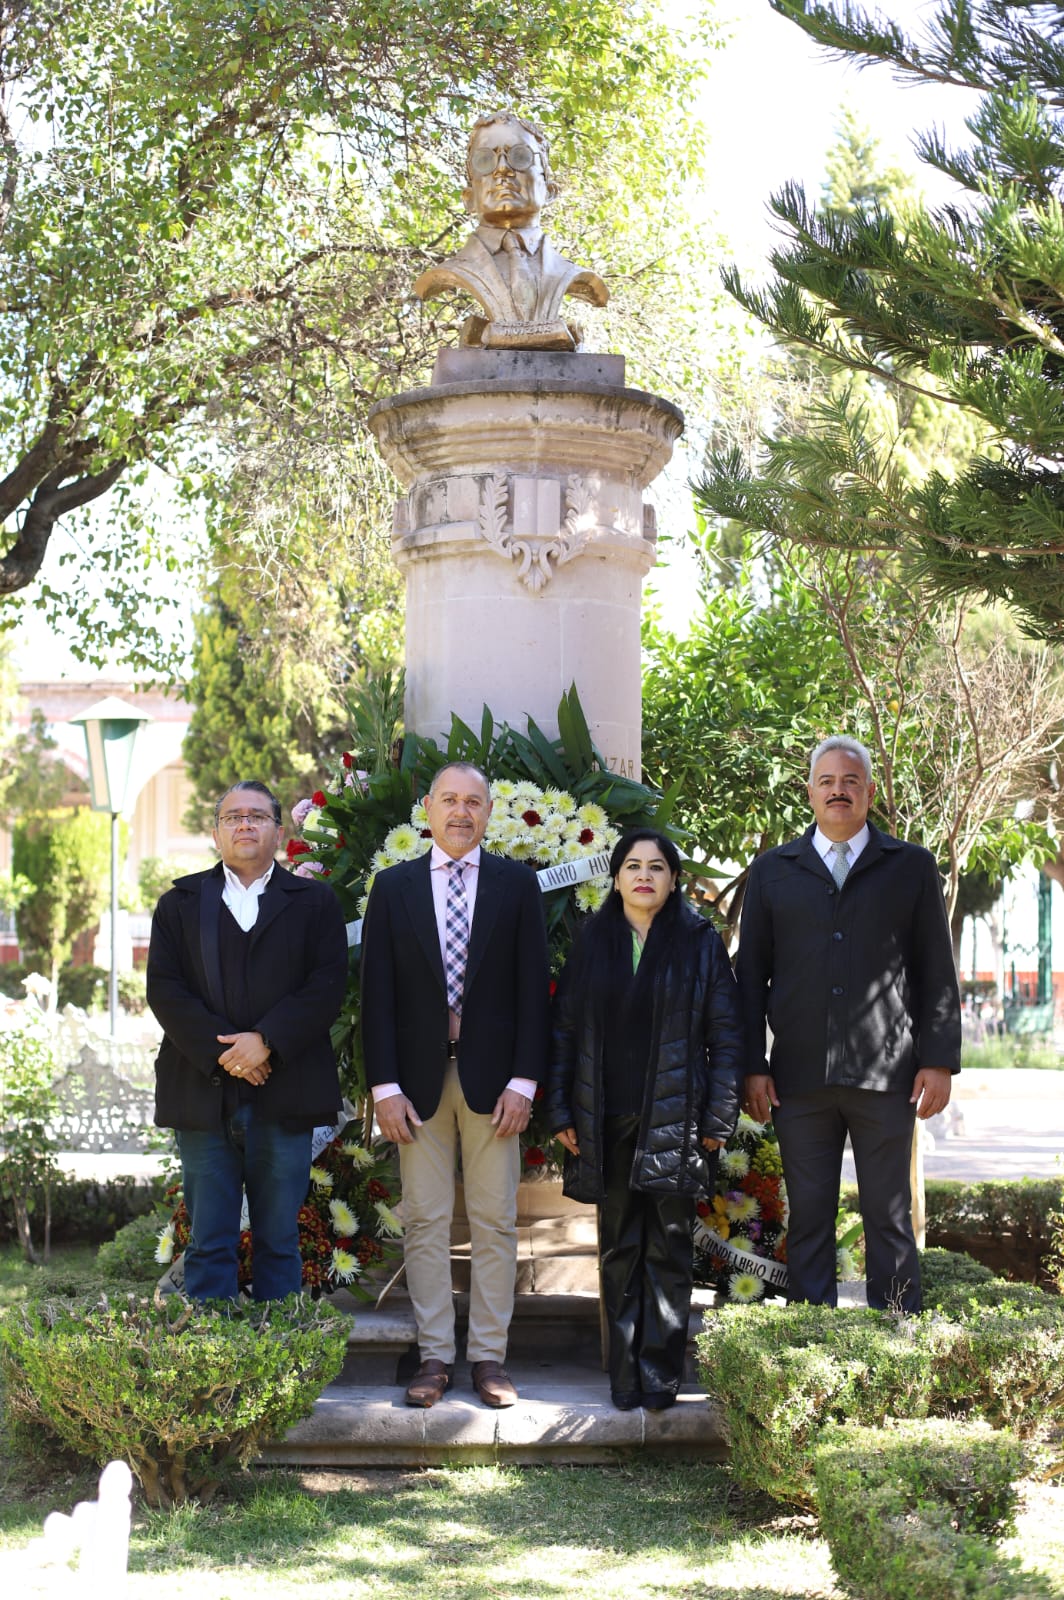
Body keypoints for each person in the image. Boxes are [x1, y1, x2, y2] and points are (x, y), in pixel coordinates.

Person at [736, 736, 961, 1313]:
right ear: (809, 792)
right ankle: (815, 1343)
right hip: (798, 1080)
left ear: (868, 792)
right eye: (828, 781)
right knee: (809, 1218)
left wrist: (937, 1061)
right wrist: (751, 1068)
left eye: (851, 781)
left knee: (888, 1217)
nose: (839, 790)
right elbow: (750, 977)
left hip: (888, 1077)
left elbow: (936, 970)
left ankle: (898, 1341)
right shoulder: (772, 872)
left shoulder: (910, 868)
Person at [360, 761, 550, 1408]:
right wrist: (383, 1088)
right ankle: (435, 1355)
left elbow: (533, 991)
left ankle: (489, 1359)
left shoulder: (517, 886)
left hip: (496, 1083)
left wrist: (525, 1081)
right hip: (415, 1085)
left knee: (496, 1220)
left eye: (474, 802)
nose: (461, 812)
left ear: (489, 813)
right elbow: (376, 996)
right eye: (450, 800)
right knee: (425, 1219)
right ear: (428, 808)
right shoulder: (394, 888)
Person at [546, 830, 743, 1411]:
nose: (644, 876)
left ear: (674, 880)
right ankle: (624, 1375)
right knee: (618, 1249)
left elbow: (726, 1037)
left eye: (657, 867)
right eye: (632, 866)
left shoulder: (699, 942)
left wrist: (719, 1116)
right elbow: (562, 1032)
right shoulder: (592, 940)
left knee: (668, 1249)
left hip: (675, 1118)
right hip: (604, 1119)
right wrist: (559, 1109)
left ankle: (660, 1377)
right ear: (615, 877)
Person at [147, 780, 348, 1301]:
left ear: (278, 832)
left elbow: (326, 986)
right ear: (216, 833)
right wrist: (228, 1055)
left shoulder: (315, 903)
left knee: (279, 1241)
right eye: (232, 816)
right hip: (201, 1092)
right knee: (209, 1241)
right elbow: (165, 991)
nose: (244, 825)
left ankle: (278, 1366)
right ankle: (212, 1363)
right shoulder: (179, 904)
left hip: (287, 1095)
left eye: (257, 816)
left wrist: (266, 1042)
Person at [413, 110, 608, 350]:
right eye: (485, 160)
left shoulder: (572, 275)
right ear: (469, 198)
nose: (502, 169)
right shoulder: (451, 272)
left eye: (520, 157)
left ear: (549, 191)